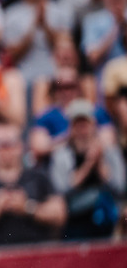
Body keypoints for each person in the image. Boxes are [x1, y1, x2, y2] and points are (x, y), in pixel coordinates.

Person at [0, 122, 67, 247]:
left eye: (9, 144)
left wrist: (27, 207)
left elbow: (60, 214)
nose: (5, 151)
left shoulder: (38, 177)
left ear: (20, 146)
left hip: (36, 255)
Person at [49, 99, 126, 239]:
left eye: (85, 124)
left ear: (93, 125)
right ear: (70, 128)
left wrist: (101, 164)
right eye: (77, 125)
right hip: (74, 221)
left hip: (108, 219)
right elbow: (61, 191)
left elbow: (119, 187)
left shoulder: (110, 152)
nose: (82, 130)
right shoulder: (61, 156)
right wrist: (88, 164)